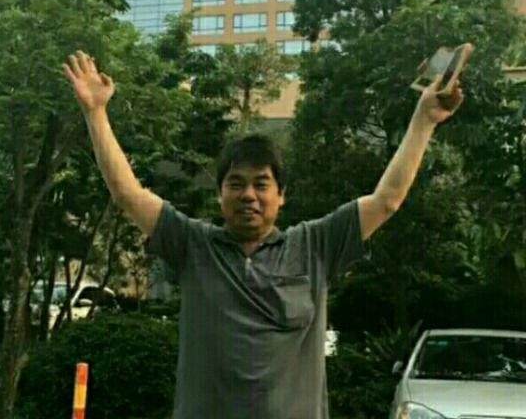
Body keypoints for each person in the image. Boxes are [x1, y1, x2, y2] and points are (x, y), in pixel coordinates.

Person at [62, 50, 464, 419]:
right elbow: (127, 193)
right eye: (236, 184)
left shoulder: (315, 246)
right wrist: (95, 112)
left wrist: (424, 119)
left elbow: (387, 200)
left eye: (261, 184)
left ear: (281, 195)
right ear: (220, 195)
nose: (248, 195)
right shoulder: (192, 245)